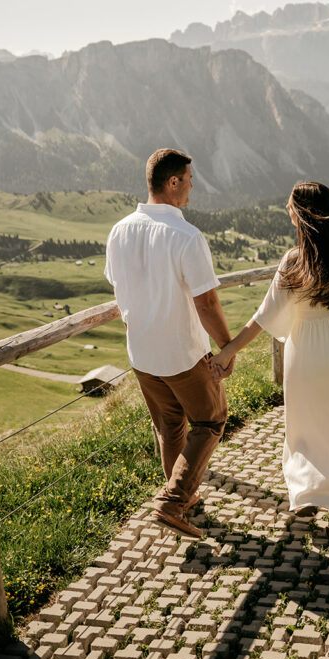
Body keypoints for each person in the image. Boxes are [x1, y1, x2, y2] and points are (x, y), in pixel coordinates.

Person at [211, 181, 329, 531]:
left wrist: (229, 350)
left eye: (290, 207)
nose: (287, 212)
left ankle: (308, 493)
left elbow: (264, 317)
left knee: (305, 430)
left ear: (302, 215)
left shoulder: (295, 260)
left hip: (306, 353)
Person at [105, 148, 233, 538]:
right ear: (173, 182)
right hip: (181, 353)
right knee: (211, 419)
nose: (193, 186)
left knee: (170, 428)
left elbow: (117, 285)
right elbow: (207, 301)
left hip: (141, 353)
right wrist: (227, 346)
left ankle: (182, 499)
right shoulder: (187, 236)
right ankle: (173, 500)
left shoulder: (119, 229)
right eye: (189, 179)